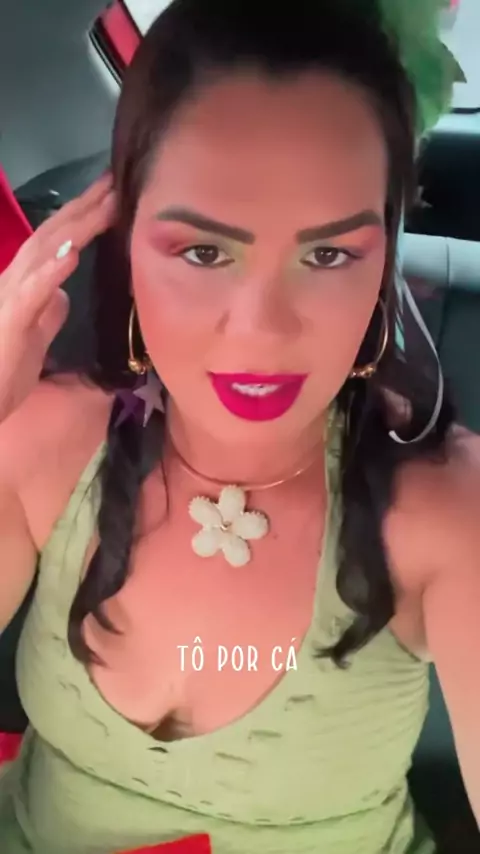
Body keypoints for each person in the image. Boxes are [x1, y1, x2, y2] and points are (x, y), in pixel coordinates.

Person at [0, 0, 477, 852]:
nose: (262, 331)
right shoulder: (45, 444)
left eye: (328, 254)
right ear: (123, 240)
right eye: (204, 252)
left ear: (383, 259)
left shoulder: (445, 510)